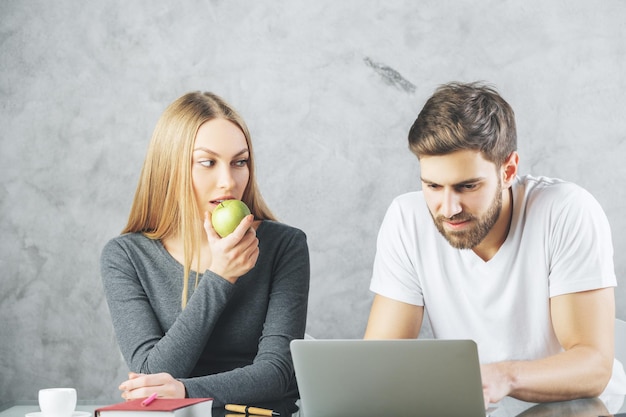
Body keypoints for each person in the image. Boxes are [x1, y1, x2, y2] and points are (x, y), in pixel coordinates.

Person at [364, 81, 626, 407]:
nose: (448, 208)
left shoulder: (566, 210)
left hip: (582, 408)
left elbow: (594, 366)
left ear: (509, 170)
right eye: (432, 185)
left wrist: (502, 376)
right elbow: (380, 362)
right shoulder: (406, 218)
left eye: (468, 186)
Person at [100, 91, 310, 405]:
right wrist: (220, 278)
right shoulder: (126, 257)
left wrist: (186, 391)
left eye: (239, 162)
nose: (228, 181)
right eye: (207, 162)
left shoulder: (285, 246)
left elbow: (277, 373)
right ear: (170, 168)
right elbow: (150, 372)